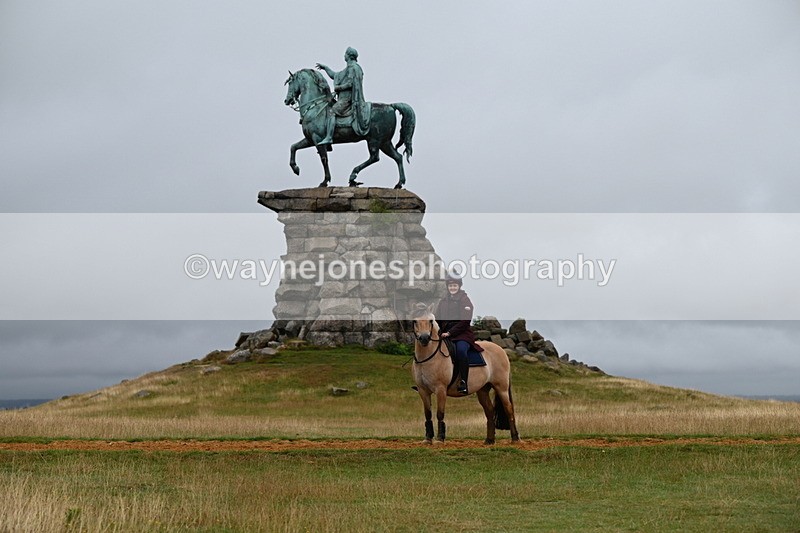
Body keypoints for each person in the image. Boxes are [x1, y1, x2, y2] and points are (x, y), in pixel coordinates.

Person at [435, 274, 484, 395]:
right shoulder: (443, 301)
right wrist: (437, 330)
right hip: (445, 334)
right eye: (450, 285)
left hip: (462, 334)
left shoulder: (464, 300)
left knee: (461, 351)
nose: (452, 287)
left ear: (459, 286)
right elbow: (438, 318)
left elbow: (465, 322)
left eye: (455, 285)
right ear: (447, 286)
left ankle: (463, 382)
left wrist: (450, 333)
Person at [315, 47, 371, 144]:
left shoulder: (353, 68)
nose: (344, 55)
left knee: (332, 112)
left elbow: (350, 83)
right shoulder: (348, 68)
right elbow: (335, 75)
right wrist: (325, 68)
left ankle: (329, 137)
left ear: (349, 56)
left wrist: (338, 88)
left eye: (345, 54)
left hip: (347, 100)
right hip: (343, 99)